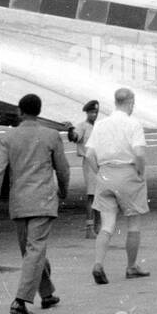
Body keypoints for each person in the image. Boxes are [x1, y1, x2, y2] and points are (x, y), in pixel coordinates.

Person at [0, 93, 72, 314]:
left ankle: (32, 296)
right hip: (43, 200)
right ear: (39, 111)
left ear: (19, 112)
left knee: (31, 250)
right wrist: (63, 190)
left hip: (19, 202)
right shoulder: (51, 135)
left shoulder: (8, 138)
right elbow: (63, 169)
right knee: (34, 250)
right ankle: (34, 296)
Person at [85, 87, 150, 285]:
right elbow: (139, 153)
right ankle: (131, 266)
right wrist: (139, 171)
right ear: (130, 102)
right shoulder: (133, 124)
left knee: (107, 225)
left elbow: (88, 154)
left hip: (105, 173)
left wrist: (99, 172)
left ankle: (98, 263)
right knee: (133, 223)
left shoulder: (101, 124)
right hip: (128, 173)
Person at [69, 100, 101, 237]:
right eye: (92, 112)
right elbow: (74, 137)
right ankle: (89, 228)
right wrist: (70, 129)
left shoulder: (99, 127)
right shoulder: (82, 126)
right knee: (92, 195)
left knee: (100, 195)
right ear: (87, 113)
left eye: (96, 112)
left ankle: (98, 226)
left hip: (100, 162)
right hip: (89, 162)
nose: (94, 115)